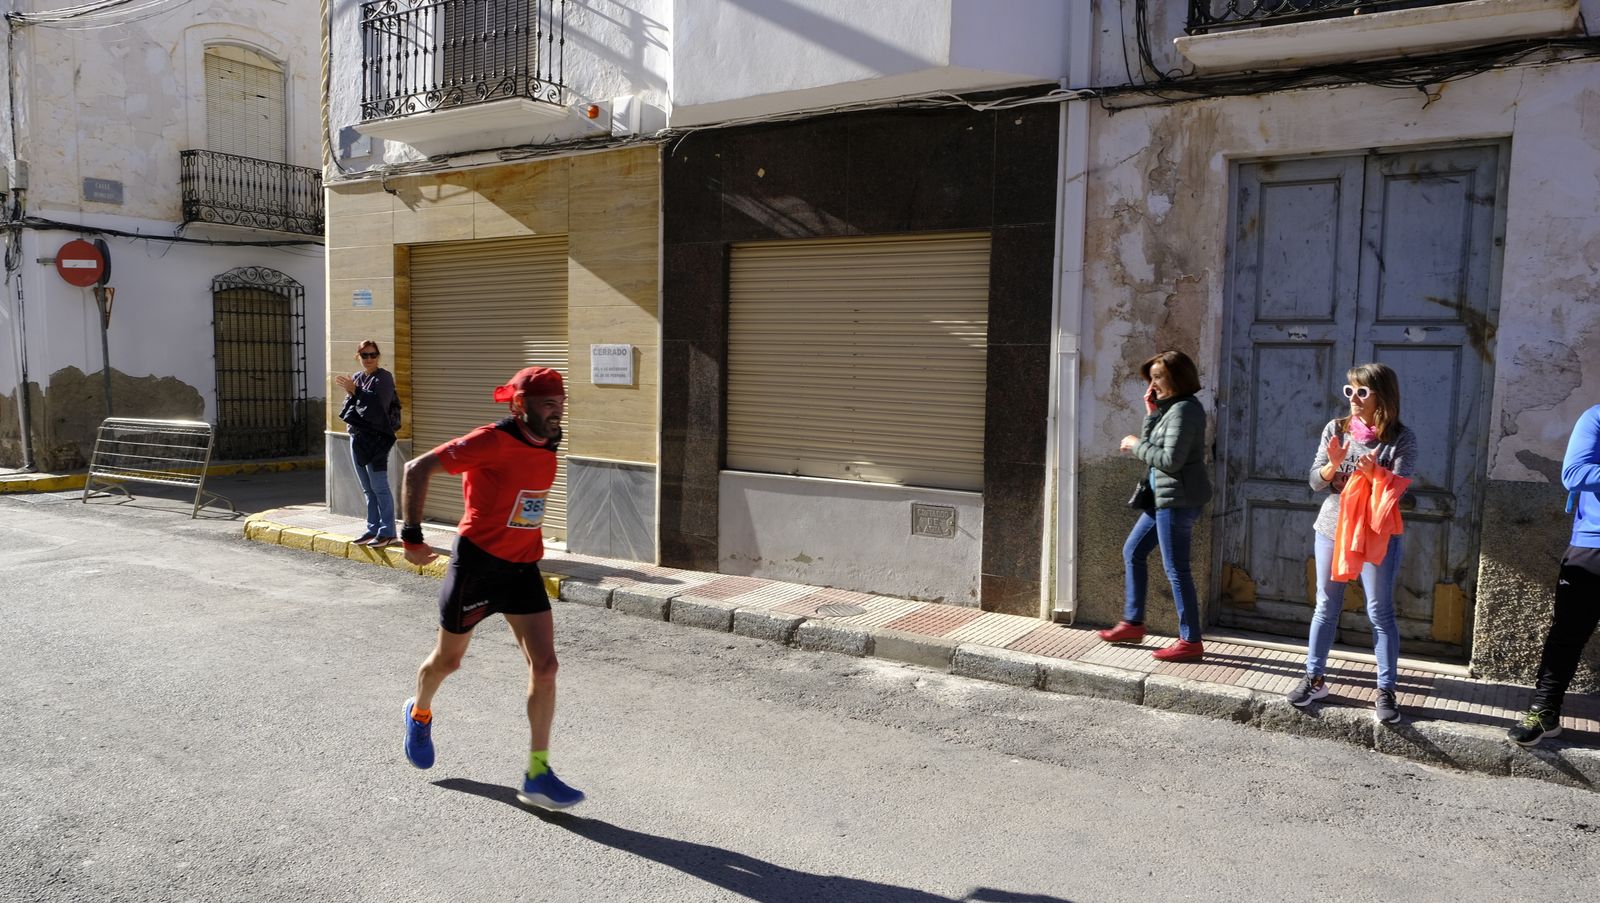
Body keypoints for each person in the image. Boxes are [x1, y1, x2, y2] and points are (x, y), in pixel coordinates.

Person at [397, 365, 584, 810]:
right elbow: (416, 468)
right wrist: (412, 536)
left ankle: (537, 773)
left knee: (546, 667)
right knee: (448, 661)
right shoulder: (491, 439)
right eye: (547, 403)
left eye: (560, 403)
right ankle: (419, 712)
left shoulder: (547, 442)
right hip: (478, 566)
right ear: (520, 406)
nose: (556, 412)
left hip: (522, 569)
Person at [1287, 363, 1418, 724]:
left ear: (1382, 396)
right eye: (1350, 391)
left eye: (1362, 392)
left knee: (1379, 611)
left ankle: (1386, 689)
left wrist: (1374, 473)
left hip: (1377, 532)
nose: (1354, 399)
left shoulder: (1401, 439)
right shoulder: (1337, 429)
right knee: (1326, 604)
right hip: (1332, 526)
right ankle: (1314, 679)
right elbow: (1316, 481)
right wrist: (1332, 467)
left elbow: (1398, 489)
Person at [1098, 350, 1212, 662]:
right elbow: (1158, 447)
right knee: (1133, 551)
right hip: (1163, 498)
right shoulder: (1170, 409)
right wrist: (1150, 413)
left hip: (1177, 500)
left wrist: (1136, 445)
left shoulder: (1185, 411)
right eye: (1151, 377)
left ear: (1178, 377)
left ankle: (1190, 641)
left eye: (1159, 376)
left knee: (1177, 569)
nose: (1153, 383)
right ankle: (1133, 623)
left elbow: (1170, 460)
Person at [1507, 402, 1600, 747]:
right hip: (1593, 545)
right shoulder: (1596, 417)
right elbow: (1573, 474)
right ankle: (1544, 713)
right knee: (1567, 635)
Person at [336, 340, 401, 546]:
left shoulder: (384, 378)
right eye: (365, 355)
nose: (369, 359)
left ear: (378, 356)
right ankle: (372, 529)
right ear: (359, 357)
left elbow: (379, 407)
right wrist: (354, 392)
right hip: (357, 437)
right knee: (367, 488)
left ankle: (388, 531)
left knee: (379, 486)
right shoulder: (357, 378)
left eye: (373, 355)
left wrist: (356, 392)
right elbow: (349, 409)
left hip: (377, 440)